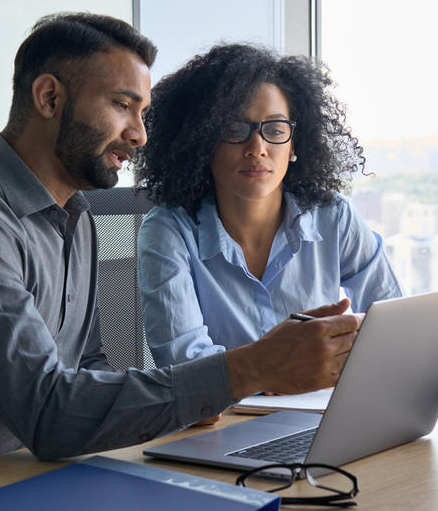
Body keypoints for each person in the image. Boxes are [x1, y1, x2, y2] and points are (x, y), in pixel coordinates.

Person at [0, 13, 359, 482]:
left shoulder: (75, 217)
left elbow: (86, 366)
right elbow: (49, 413)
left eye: (143, 112)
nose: (140, 135)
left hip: (37, 476)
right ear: (49, 98)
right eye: (122, 106)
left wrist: (187, 396)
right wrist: (249, 369)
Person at [133, 44, 401, 372]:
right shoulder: (168, 232)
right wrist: (278, 370)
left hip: (324, 411)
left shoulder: (334, 217)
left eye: (274, 130)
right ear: (202, 142)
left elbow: (392, 324)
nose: (257, 148)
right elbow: (184, 364)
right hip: (223, 418)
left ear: (293, 145)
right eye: (234, 129)